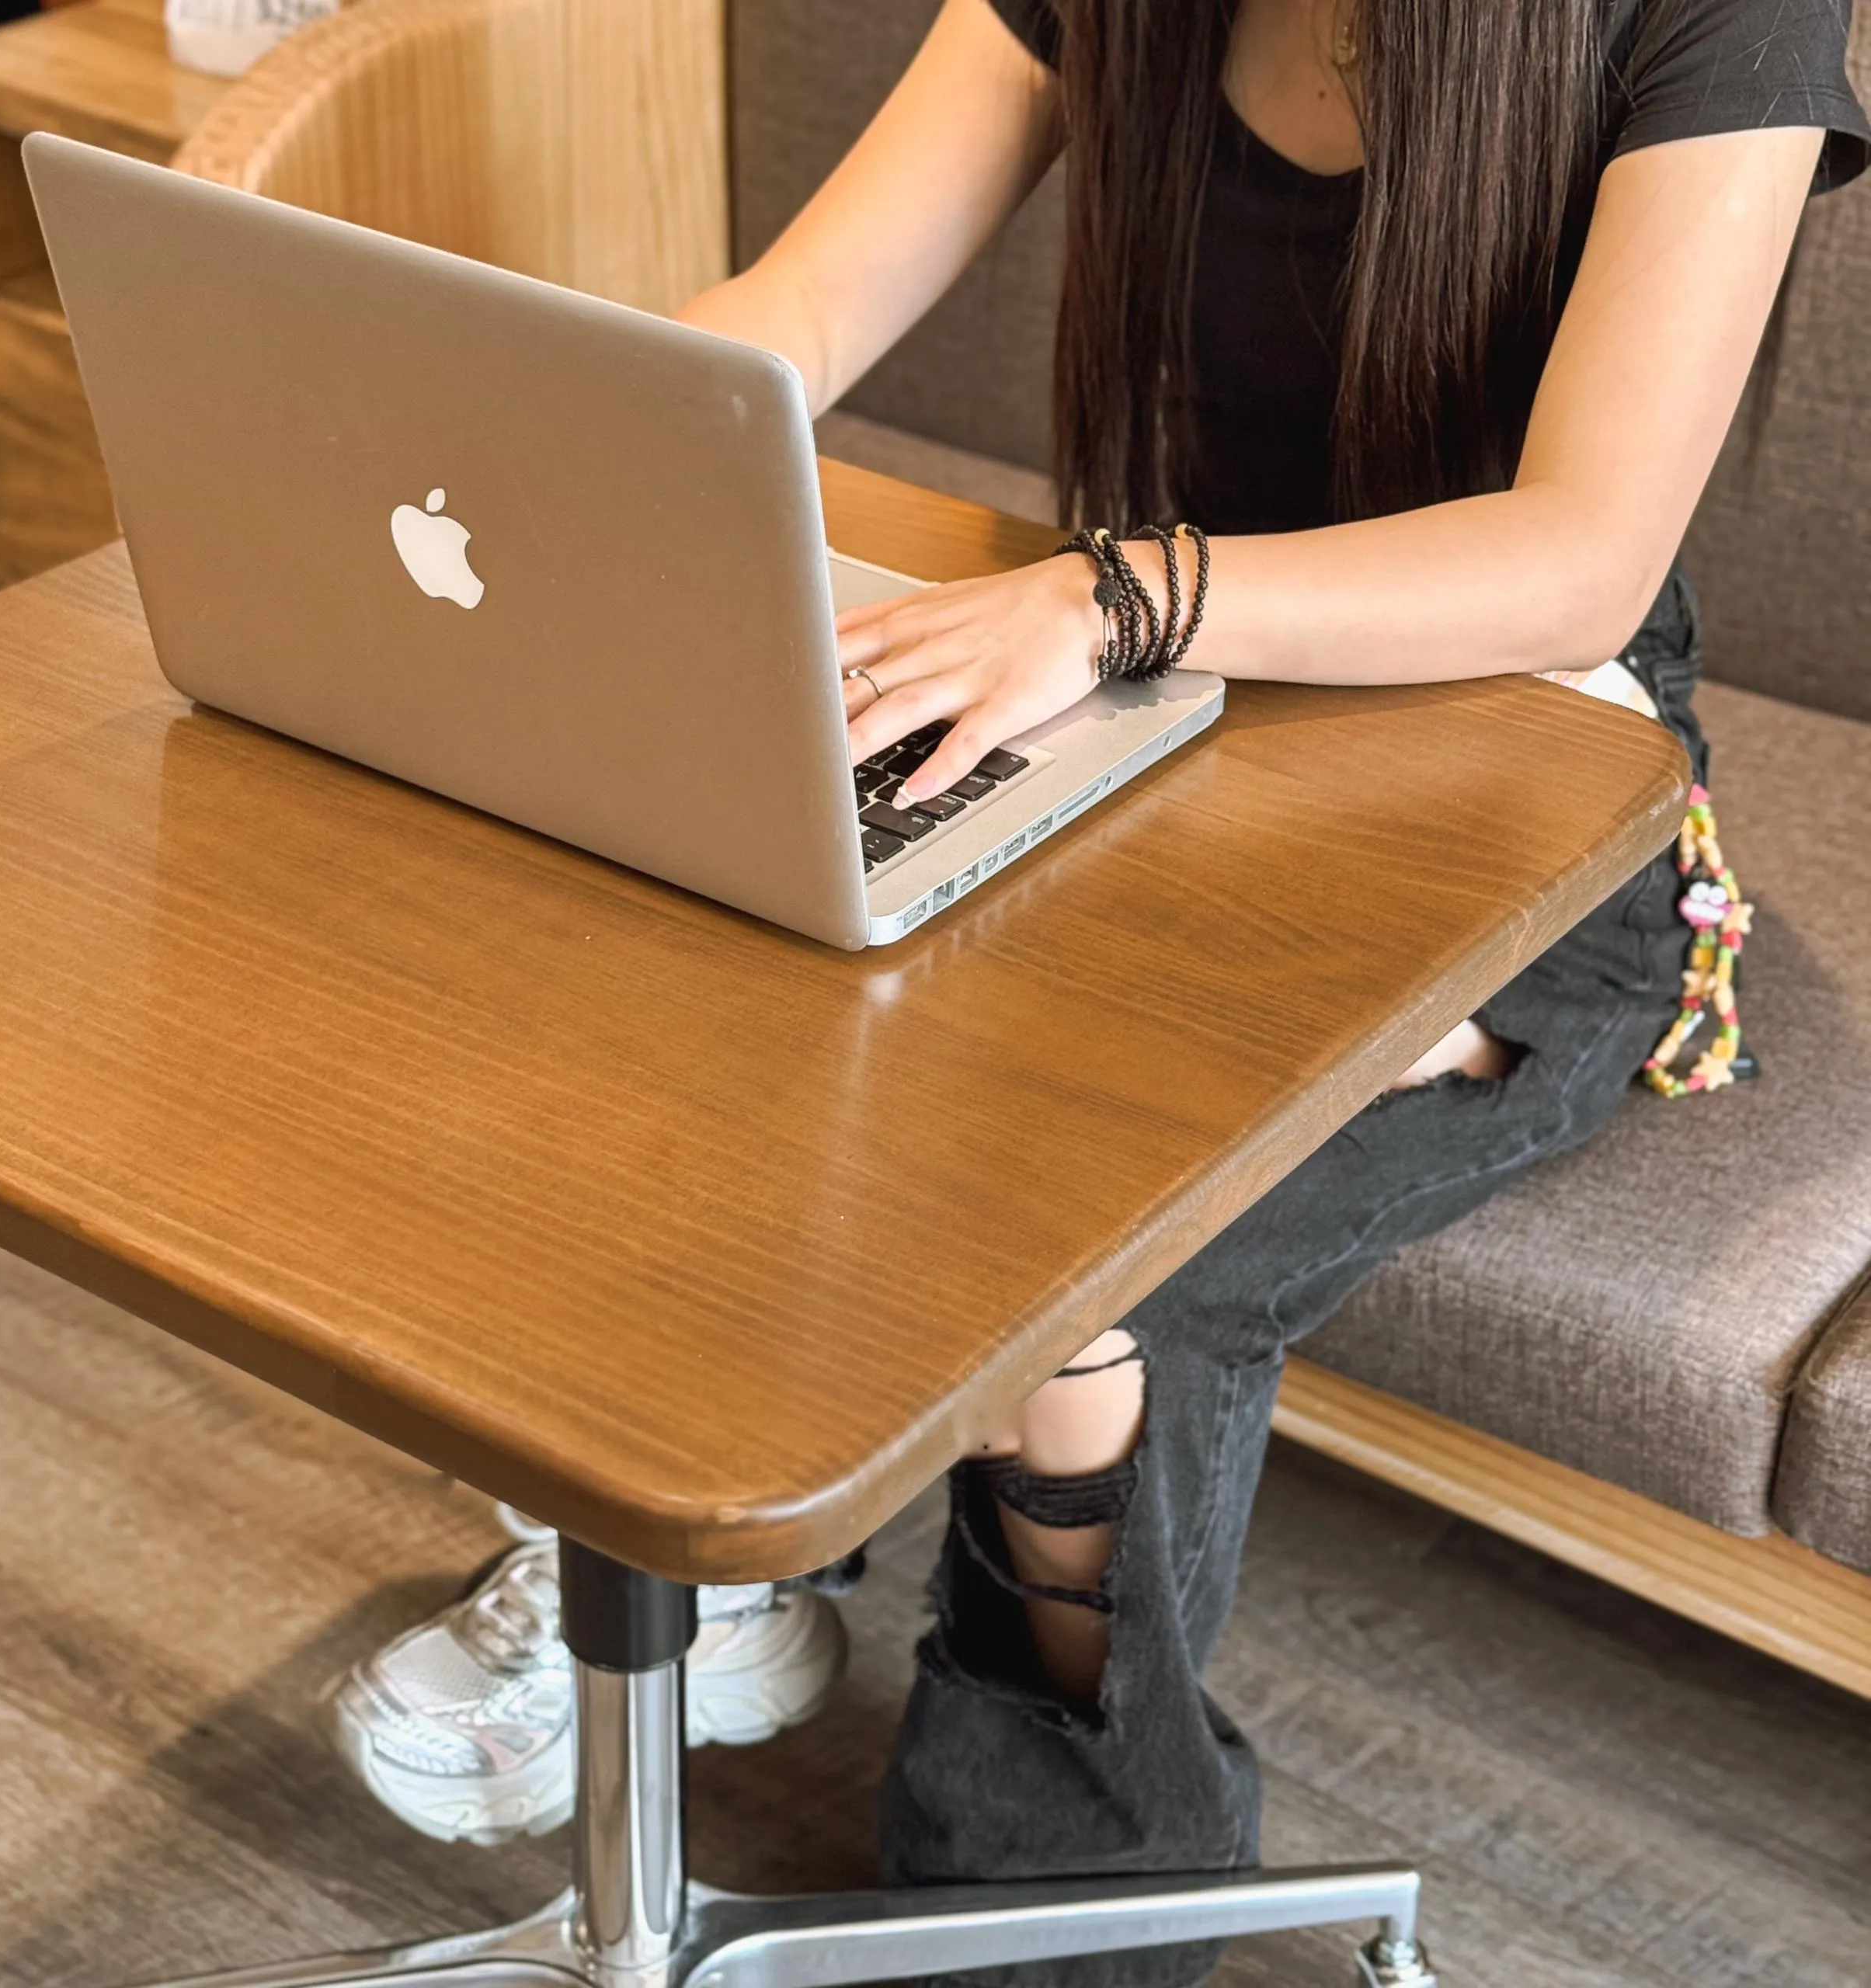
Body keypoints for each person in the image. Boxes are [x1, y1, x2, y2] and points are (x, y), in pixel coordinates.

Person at [332, 0, 1867, 1967]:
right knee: (732, 912)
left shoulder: (1714, 16)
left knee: (1096, 1262)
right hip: (1174, 720)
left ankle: (1055, 1907)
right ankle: (721, 1573)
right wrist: (575, 453)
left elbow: (1579, 556)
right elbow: (805, 299)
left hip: (1531, 802)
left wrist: (1100, 594)